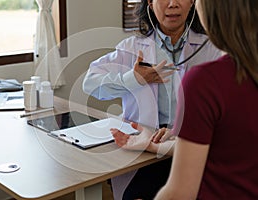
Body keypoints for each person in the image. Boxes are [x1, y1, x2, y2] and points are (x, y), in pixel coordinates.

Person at [113, 0, 258, 199]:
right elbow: (222, 145)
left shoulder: (205, 80)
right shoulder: (131, 46)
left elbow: (179, 192)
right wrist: (151, 143)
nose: (173, 4)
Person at [83, 0, 222, 199]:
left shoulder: (210, 48)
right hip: (145, 151)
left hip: (190, 147)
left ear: (192, 2)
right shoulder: (131, 48)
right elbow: (90, 84)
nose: (173, 4)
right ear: (150, 3)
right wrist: (133, 79)